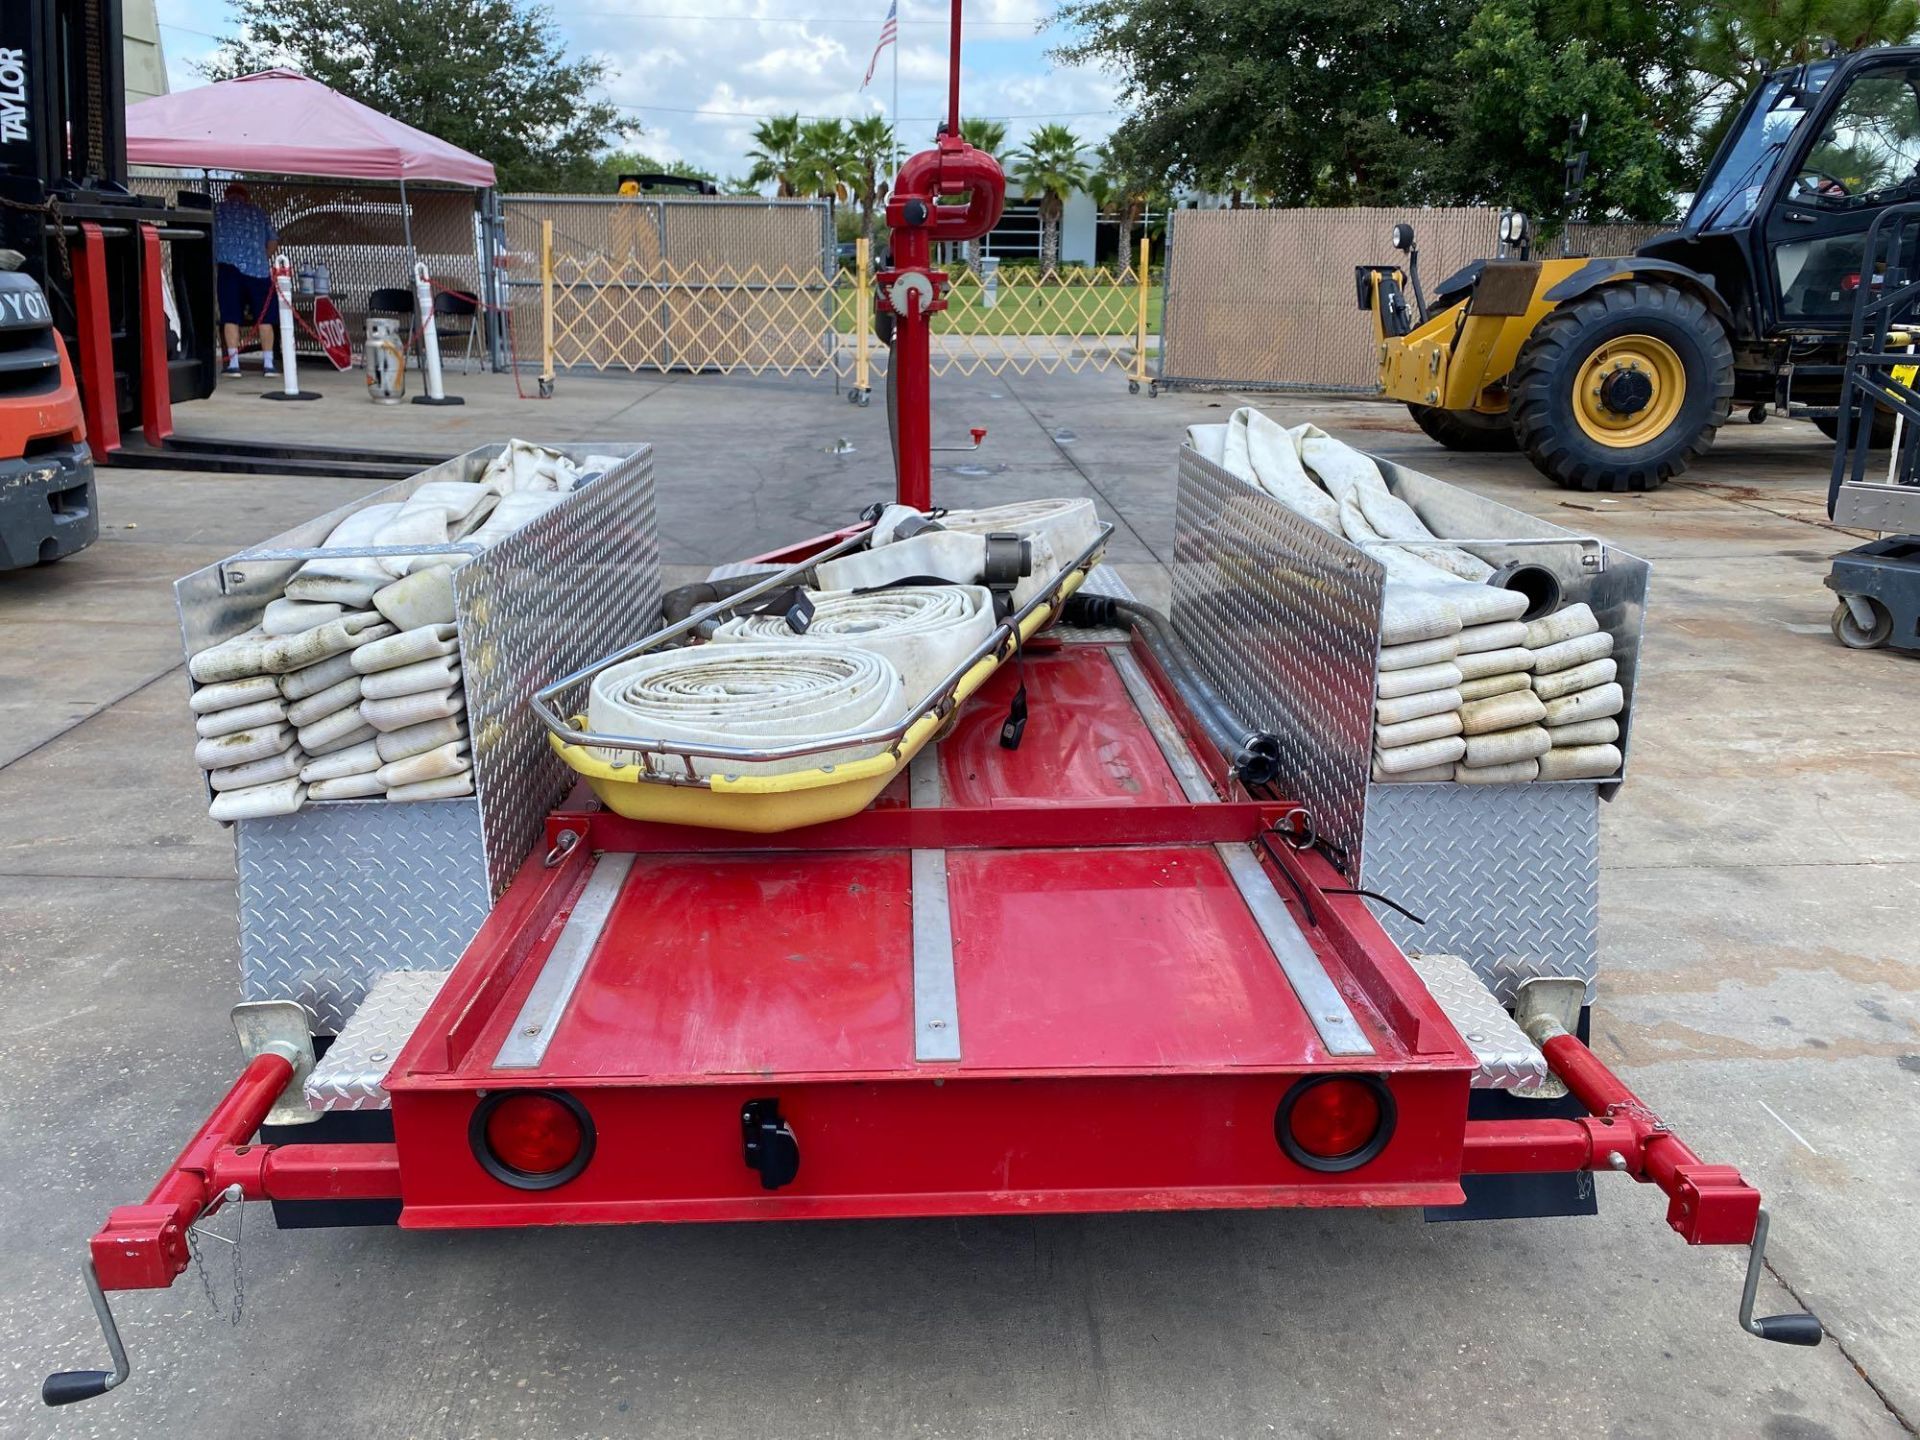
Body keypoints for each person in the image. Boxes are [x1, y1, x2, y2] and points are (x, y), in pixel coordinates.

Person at [214, 182, 279, 375]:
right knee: (265, 318)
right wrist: (260, 256)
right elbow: (273, 241)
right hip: (258, 270)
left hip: (228, 269)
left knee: (230, 316)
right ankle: (269, 364)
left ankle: (233, 365)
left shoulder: (217, 211)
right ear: (246, 196)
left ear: (227, 195)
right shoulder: (258, 212)